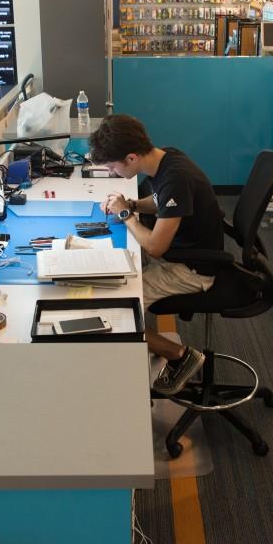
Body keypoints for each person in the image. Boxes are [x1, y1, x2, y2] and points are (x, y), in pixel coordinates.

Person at [89, 115, 224, 396]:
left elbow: (155, 247)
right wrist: (133, 204)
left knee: (117, 312)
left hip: (191, 268)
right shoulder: (167, 158)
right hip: (181, 252)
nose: (112, 173)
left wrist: (126, 215)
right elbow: (161, 203)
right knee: (113, 275)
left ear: (131, 157)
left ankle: (180, 355)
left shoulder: (176, 178)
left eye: (113, 166)